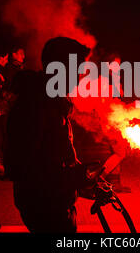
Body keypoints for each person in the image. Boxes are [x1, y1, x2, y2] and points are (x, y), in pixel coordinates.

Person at [5, 37, 95, 233]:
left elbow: (58, 153)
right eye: (77, 69)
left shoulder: (53, 101)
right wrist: (73, 177)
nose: (81, 76)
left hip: (58, 201)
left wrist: (80, 173)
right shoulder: (35, 105)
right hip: (44, 206)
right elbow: (23, 168)